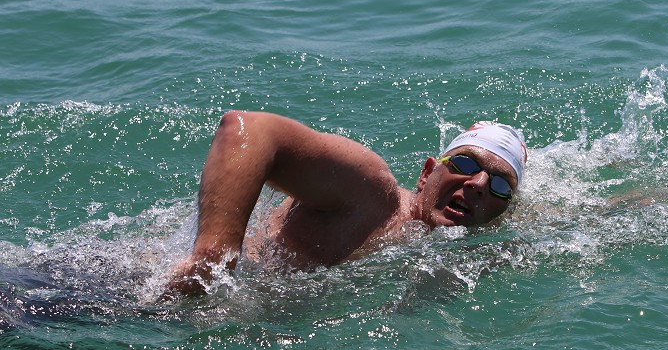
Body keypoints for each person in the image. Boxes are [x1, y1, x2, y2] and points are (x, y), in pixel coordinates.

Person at [163, 111, 527, 297]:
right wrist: (213, 258)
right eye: (465, 164)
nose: (478, 184)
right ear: (427, 172)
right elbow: (249, 128)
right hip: (131, 300)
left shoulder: (457, 249)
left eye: (499, 187)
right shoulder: (372, 196)